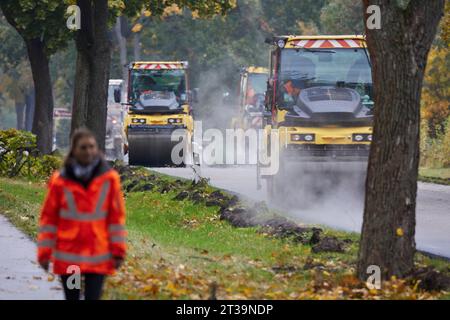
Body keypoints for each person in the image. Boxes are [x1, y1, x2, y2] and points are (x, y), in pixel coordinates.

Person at [37, 128, 127, 300]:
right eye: (83, 147)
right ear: (74, 150)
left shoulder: (110, 179)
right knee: (72, 298)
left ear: (97, 148)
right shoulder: (60, 181)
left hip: (98, 257)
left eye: (91, 147)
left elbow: (116, 219)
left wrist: (118, 252)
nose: (88, 151)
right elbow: (49, 219)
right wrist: (44, 253)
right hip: (70, 258)